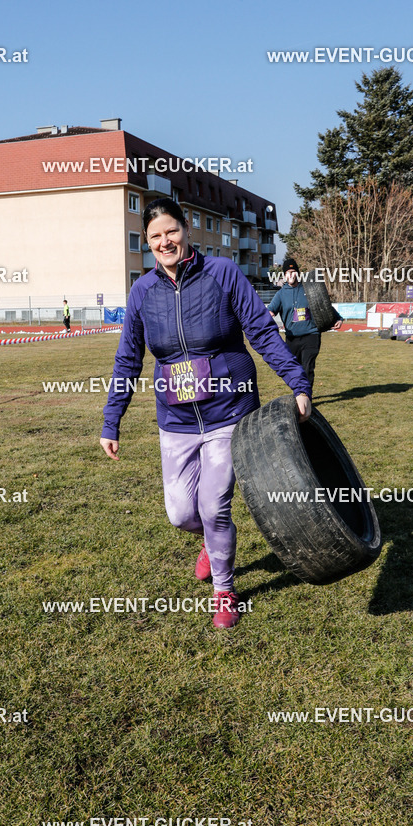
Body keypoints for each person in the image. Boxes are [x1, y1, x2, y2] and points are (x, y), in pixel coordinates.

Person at [99, 197, 312, 630]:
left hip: (228, 411)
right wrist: (111, 420)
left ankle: (224, 591)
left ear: (187, 231)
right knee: (181, 514)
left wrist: (298, 383)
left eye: (171, 231)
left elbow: (262, 332)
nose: (165, 242)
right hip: (175, 420)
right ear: (147, 242)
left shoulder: (223, 273)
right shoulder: (142, 292)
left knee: (214, 507)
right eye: (155, 236)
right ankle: (210, 542)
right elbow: (128, 360)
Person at [267, 258, 321, 388]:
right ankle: (299, 393)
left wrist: (338, 319)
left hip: (311, 335)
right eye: (287, 272)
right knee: (295, 369)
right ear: (284, 275)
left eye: (293, 272)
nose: (290, 275)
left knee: (307, 367)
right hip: (292, 338)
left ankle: (306, 395)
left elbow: (323, 305)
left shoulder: (308, 289)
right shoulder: (280, 294)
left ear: (298, 273)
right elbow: (270, 311)